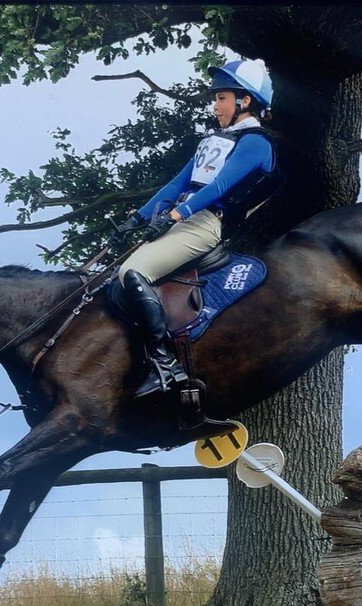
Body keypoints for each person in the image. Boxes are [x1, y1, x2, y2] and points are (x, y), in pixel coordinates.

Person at [115, 59, 282, 397]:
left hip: (204, 224)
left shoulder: (256, 143)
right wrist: (138, 218)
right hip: (181, 219)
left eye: (221, 97)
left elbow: (219, 187)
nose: (215, 105)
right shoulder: (212, 142)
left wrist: (176, 216)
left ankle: (165, 365)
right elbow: (176, 184)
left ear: (244, 101)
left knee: (133, 271)